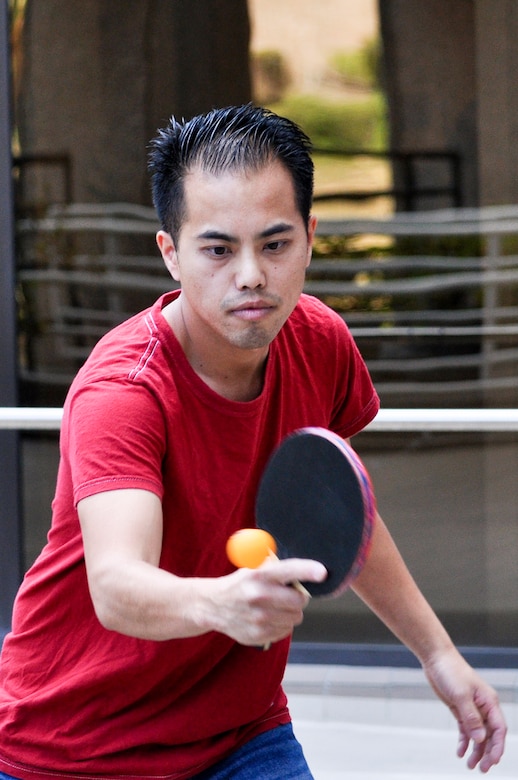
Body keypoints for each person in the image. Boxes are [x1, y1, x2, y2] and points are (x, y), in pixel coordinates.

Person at [0, 104, 507, 780]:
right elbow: (117, 586)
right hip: (70, 749)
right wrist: (222, 604)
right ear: (170, 254)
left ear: (309, 237)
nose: (250, 276)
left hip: (240, 735)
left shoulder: (320, 342)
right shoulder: (124, 389)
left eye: (275, 244)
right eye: (217, 248)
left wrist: (438, 654)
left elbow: (342, 514)